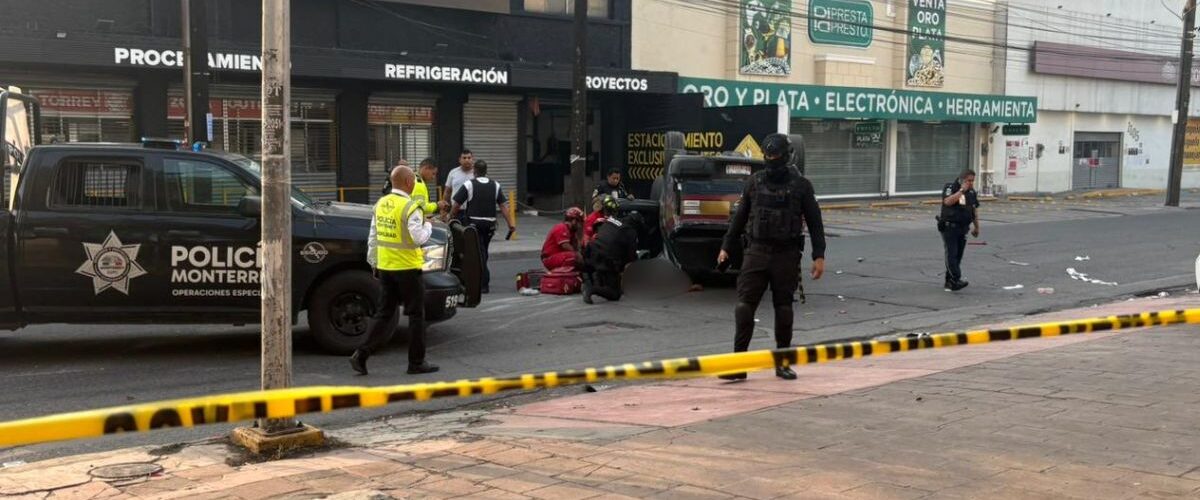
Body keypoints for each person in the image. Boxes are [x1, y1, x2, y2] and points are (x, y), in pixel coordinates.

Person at [717, 133, 826, 381]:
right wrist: (726, 246)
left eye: (775, 156)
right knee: (744, 306)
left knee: (784, 308)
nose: (772, 161)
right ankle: (738, 364)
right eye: (769, 156)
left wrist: (818, 255)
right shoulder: (754, 182)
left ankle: (782, 363)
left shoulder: (802, 186)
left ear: (787, 156)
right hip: (757, 251)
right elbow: (740, 217)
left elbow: (815, 222)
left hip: (785, 254)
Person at [350, 165, 439, 376]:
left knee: (384, 314)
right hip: (407, 268)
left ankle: (361, 355)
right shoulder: (410, 207)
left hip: (386, 268)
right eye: (414, 182)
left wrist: (373, 263)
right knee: (417, 315)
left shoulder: (381, 203)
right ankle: (416, 363)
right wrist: (428, 226)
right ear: (408, 183)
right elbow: (419, 237)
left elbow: (373, 237)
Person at [449, 160, 516, 294]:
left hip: (474, 225)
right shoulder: (495, 185)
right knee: (483, 251)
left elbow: (456, 204)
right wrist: (511, 225)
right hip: (490, 226)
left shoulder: (469, 184)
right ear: (486, 171)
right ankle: (480, 281)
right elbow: (503, 206)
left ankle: (483, 283)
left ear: (474, 171)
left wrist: (450, 218)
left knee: (478, 254)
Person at [582, 210, 643, 304]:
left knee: (605, 271)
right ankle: (591, 290)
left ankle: (591, 283)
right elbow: (631, 258)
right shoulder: (630, 231)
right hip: (605, 259)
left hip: (590, 252)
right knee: (615, 294)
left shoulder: (612, 220)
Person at [939, 169, 980, 291]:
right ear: (962, 179)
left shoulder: (972, 192)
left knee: (958, 256)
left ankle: (950, 281)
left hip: (963, 228)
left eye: (973, 181)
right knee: (951, 253)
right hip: (949, 227)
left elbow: (974, 210)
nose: (971, 183)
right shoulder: (950, 187)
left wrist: (977, 226)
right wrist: (962, 190)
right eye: (969, 181)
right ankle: (956, 278)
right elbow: (947, 202)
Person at [442, 149, 475, 222]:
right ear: (459, 160)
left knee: (472, 233)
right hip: (456, 211)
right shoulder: (453, 173)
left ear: (473, 159)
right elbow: (447, 192)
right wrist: (444, 210)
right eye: (464, 158)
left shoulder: (477, 174)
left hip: (473, 212)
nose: (467, 160)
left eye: (469, 158)